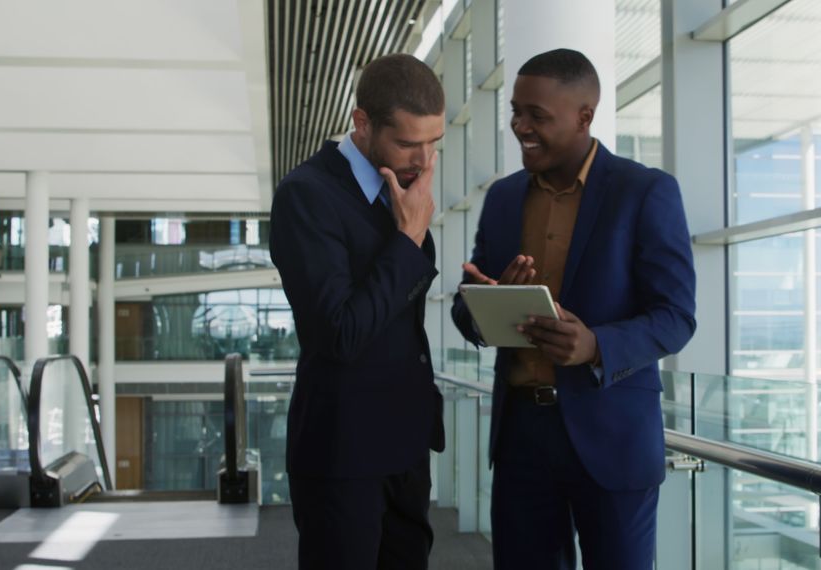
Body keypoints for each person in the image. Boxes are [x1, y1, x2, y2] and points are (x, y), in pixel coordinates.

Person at [451, 48, 697, 570]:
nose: (520, 126)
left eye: (537, 115)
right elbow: (467, 303)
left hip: (612, 435)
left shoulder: (645, 191)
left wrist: (595, 346)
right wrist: (483, 305)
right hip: (521, 437)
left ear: (585, 116)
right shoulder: (502, 198)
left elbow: (676, 315)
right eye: (515, 111)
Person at [269, 53, 445, 569]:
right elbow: (339, 332)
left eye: (433, 143)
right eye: (409, 143)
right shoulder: (306, 195)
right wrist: (410, 239)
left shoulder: (401, 190)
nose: (423, 159)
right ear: (362, 123)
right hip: (343, 452)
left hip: (406, 447)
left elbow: (400, 317)